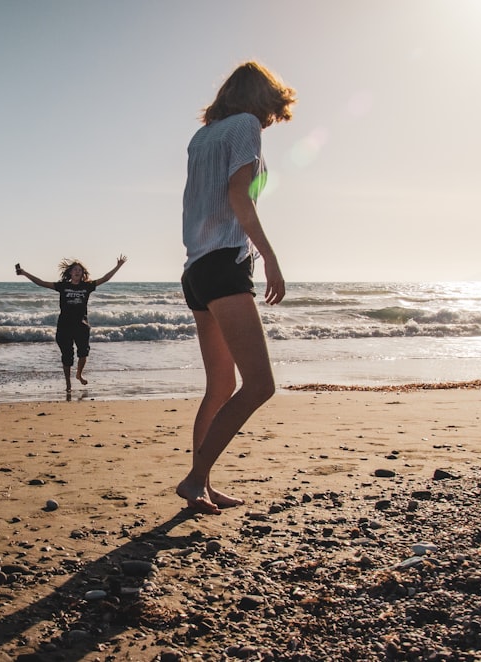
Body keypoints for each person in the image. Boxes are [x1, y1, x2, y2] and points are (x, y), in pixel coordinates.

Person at [176, 61, 296, 515]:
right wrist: (269, 257)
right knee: (260, 385)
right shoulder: (245, 125)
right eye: (272, 109)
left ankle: (202, 483)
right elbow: (238, 194)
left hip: (196, 268)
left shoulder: (201, 136)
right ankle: (194, 479)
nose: (270, 120)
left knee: (220, 386)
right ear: (260, 99)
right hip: (226, 263)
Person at [17, 256, 127, 391]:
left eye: (80, 270)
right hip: (64, 326)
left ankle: (79, 374)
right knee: (67, 356)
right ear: (70, 272)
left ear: (82, 273)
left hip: (81, 325)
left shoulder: (87, 286)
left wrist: (118, 266)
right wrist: (24, 273)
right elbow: (41, 282)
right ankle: (68, 383)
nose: (77, 272)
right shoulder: (63, 286)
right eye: (75, 269)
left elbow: (105, 278)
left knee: (83, 353)